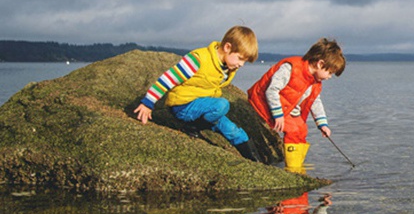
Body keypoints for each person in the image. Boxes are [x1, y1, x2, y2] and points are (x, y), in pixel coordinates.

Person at [133, 26, 261, 161]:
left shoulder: (226, 67)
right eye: (240, 58)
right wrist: (148, 103)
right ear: (227, 47)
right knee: (222, 105)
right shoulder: (198, 59)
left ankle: (257, 164)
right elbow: (168, 79)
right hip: (183, 106)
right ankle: (190, 127)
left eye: (244, 61)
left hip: (202, 107)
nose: (241, 64)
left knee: (235, 132)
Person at [247, 38, 345, 173]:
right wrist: (278, 114)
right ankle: (292, 169)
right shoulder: (291, 68)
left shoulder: (315, 82)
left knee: (301, 129)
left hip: (288, 109)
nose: (329, 77)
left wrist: (322, 124)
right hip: (264, 102)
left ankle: (297, 165)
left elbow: (315, 102)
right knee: (293, 129)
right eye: (330, 72)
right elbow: (272, 90)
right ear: (320, 64)